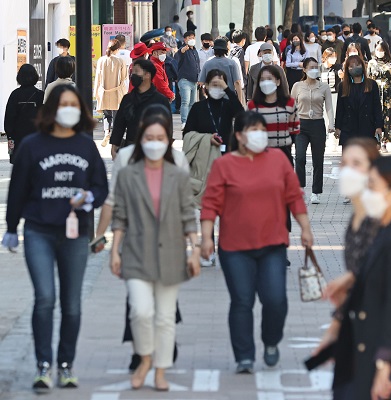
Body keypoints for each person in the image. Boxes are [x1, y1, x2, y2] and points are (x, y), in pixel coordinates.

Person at [2, 85, 108, 392]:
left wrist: (89, 197)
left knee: (71, 304)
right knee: (45, 298)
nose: (69, 109)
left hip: (75, 235)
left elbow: (101, 186)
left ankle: (66, 364)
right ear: (51, 109)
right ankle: (43, 364)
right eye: (63, 104)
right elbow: (19, 188)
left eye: (74, 104)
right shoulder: (33, 145)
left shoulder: (86, 146)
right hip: (39, 230)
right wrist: (11, 228)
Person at [199, 111, 314, 373]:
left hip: (272, 244)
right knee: (242, 301)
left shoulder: (278, 160)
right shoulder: (224, 165)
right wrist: (205, 237)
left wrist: (305, 228)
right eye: (253, 130)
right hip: (234, 247)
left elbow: (294, 196)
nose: (260, 134)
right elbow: (211, 204)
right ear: (239, 135)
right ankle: (244, 356)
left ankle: (271, 341)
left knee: (275, 300)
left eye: (262, 129)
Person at [111, 112, 200, 391]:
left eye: (160, 138)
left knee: (164, 316)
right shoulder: (128, 172)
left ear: (168, 140)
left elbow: (188, 215)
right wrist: (115, 251)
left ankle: (160, 369)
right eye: (149, 138)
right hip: (136, 252)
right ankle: (145, 358)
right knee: (140, 311)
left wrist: (195, 250)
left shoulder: (177, 173)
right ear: (141, 140)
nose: (154, 143)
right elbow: (120, 215)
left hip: (171, 253)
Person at [330, 155, 391, 400]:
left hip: (389, 364)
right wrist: (354, 278)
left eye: (372, 185)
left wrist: (385, 367)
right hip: (368, 351)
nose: (367, 192)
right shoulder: (387, 228)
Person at [313, 138, 380, 354]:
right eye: (344, 164)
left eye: (357, 164)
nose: (347, 171)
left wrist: (351, 277)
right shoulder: (357, 218)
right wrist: (334, 329)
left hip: (384, 338)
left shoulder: (382, 217)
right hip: (361, 327)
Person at [291, 58, 334, 204]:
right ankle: (300, 188)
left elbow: (329, 106)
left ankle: (316, 192)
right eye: (311, 67)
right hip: (301, 125)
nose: (314, 70)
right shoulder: (297, 86)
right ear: (304, 69)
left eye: (316, 67)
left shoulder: (324, 87)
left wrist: (331, 124)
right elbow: (291, 106)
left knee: (318, 159)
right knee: (300, 157)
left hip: (317, 124)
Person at [110, 59, 170, 159]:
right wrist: (114, 145)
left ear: (147, 75)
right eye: (132, 72)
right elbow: (119, 124)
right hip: (131, 148)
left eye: (136, 71)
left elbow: (168, 127)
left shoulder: (160, 100)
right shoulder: (128, 99)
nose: (133, 75)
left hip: (154, 149)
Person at [247, 66, 299, 165]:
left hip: (284, 155)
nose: (266, 82)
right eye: (262, 80)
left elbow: (294, 129)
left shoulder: (290, 103)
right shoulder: (252, 106)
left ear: (278, 82)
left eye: (269, 79)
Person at [184, 68, 244, 150]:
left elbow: (241, 115)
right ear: (207, 85)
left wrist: (227, 90)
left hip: (226, 154)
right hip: (204, 153)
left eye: (221, 85)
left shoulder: (228, 105)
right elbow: (187, 134)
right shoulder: (197, 107)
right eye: (215, 85)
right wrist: (207, 138)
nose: (218, 88)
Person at [335, 55, 383, 147]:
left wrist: (379, 126)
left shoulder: (371, 84)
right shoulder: (343, 86)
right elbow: (340, 108)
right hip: (348, 127)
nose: (354, 68)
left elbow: (376, 106)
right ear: (347, 69)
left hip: (367, 126)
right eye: (351, 66)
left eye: (357, 65)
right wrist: (338, 127)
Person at [4, 64, 44, 163]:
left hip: (18, 137)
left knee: (19, 165)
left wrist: (10, 136)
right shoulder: (40, 95)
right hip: (36, 136)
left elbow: (9, 117)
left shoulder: (15, 94)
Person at [95, 39, 129, 147]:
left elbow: (98, 78)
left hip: (104, 92)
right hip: (116, 92)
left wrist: (96, 92)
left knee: (106, 115)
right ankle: (114, 136)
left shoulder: (101, 60)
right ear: (118, 49)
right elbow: (124, 78)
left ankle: (106, 133)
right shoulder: (120, 61)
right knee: (116, 115)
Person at [367, 42, 391, 153]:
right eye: (377, 50)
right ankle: (375, 141)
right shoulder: (371, 63)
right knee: (374, 117)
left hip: (387, 95)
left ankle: (385, 142)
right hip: (374, 93)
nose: (379, 52)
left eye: (381, 50)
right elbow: (368, 78)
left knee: (387, 118)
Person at [199, 38, 245, 105]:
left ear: (214, 50)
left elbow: (201, 83)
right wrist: (239, 100)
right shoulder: (232, 63)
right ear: (226, 50)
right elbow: (237, 82)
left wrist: (206, 96)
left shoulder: (207, 63)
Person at [174, 31, 201, 127]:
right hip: (184, 80)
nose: (191, 39)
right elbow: (177, 55)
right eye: (189, 38)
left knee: (192, 103)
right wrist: (182, 51)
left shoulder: (195, 51)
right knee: (185, 101)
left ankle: (191, 121)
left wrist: (199, 78)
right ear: (185, 39)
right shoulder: (183, 50)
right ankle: (184, 121)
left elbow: (197, 65)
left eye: (193, 37)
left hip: (194, 81)